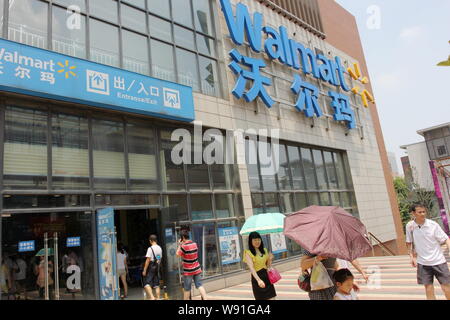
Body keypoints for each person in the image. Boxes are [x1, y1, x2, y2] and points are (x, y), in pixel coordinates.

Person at [405, 203, 450, 300]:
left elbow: (446, 239)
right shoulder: (410, 226)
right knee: (428, 288)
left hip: (439, 261)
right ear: (413, 213)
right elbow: (409, 242)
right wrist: (411, 257)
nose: (422, 214)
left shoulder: (433, 225)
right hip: (423, 264)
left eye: (424, 211)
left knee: (446, 288)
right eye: (419, 212)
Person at [243, 232, 277, 300]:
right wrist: (258, 280)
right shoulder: (248, 253)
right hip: (257, 277)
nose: (257, 242)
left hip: (266, 276)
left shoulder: (264, 250)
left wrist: (270, 259)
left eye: (258, 239)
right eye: (255, 240)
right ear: (250, 241)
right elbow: (251, 268)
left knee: (272, 298)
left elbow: (268, 266)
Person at [176, 230, 207, 300]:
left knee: (187, 289)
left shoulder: (183, 246)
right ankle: (205, 299)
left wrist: (179, 245)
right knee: (199, 285)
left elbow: (177, 254)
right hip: (197, 268)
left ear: (183, 237)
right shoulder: (194, 244)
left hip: (188, 271)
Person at [142, 235, 162, 300]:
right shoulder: (159, 248)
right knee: (156, 284)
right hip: (157, 266)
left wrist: (144, 270)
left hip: (151, 267)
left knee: (146, 283)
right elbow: (159, 258)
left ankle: (152, 297)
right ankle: (158, 298)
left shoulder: (150, 249)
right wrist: (157, 266)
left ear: (150, 241)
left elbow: (148, 260)